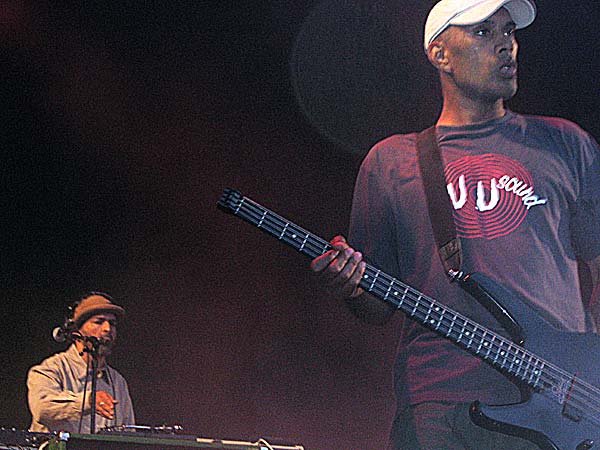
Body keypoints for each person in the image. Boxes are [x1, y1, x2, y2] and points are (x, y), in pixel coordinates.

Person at [310, 0, 600, 448]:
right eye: (484, 32)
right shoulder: (392, 162)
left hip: (560, 411)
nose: (506, 45)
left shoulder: (565, 143)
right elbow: (376, 307)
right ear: (440, 54)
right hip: (440, 406)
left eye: (509, 31)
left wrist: (588, 373)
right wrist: (348, 285)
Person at [27, 293, 135, 434]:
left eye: (112, 323)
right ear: (77, 331)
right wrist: (89, 401)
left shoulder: (118, 382)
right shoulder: (50, 369)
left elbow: (128, 432)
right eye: (99, 322)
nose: (107, 329)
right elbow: (42, 408)